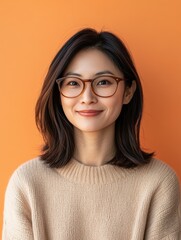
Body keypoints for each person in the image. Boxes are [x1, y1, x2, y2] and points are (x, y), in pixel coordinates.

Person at [2, 28, 181, 240]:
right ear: (59, 94)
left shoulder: (159, 182)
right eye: (73, 83)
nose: (87, 97)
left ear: (128, 91)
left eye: (104, 82)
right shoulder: (27, 183)